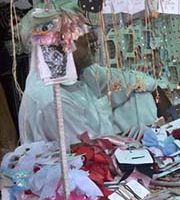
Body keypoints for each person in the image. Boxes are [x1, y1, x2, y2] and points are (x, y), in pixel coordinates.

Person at [17, 9, 161, 145]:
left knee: (140, 96)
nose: (92, 38)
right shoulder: (52, 99)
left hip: (102, 147)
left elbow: (136, 81)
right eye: (80, 32)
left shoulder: (85, 73)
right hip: (83, 164)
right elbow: (88, 152)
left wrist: (166, 111)